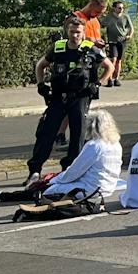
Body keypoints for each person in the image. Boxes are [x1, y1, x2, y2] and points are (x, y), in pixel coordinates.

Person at [25, 18, 112, 180]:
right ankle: (35, 170)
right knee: (46, 132)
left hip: (80, 96)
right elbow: (40, 65)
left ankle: (70, 170)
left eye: (78, 32)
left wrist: (98, 83)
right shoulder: (58, 48)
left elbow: (109, 67)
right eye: (72, 32)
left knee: (77, 134)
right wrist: (41, 84)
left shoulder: (90, 49)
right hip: (58, 96)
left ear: (83, 33)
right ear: (67, 31)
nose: (75, 35)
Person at [0, 108, 122, 208]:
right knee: (51, 186)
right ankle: (3, 195)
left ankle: (1, 196)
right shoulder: (116, 144)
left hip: (89, 189)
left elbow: (74, 171)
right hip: (106, 188)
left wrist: (53, 179)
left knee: (46, 189)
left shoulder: (94, 145)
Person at [101, 0, 134, 71]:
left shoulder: (125, 17)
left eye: (122, 8)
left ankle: (116, 78)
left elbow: (131, 28)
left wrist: (129, 36)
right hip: (112, 41)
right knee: (113, 59)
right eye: (119, 8)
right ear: (114, 8)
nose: (121, 9)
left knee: (119, 60)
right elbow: (101, 25)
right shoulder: (109, 17)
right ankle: (110, 77)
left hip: (122, 40)